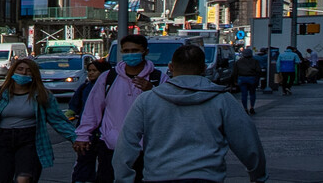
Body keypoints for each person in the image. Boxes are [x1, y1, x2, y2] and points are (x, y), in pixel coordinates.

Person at [114, 42, 268, 183]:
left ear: (171, 67)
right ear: (204, 68)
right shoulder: (222, 100)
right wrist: (257, 175)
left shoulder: (147, 100)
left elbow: (126, 142)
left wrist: (123, 178)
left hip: (159, 177)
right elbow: (246, 140)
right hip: (207, 178)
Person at [0, 53, 79, 183]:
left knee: (24, 178)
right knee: (0, 178)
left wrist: (75, 137)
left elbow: (58, 120)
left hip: (29, 140)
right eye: (20, 69)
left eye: (28, 71)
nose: (23, 73)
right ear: (13, 72)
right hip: (2, 140)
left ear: (34, 75)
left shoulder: (42, 95)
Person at [73, 32, 161, 183]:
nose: (130, 54)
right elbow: (92, 110)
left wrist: (153, 91)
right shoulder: (108, 77)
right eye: (126, 51)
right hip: (111, 146)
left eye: (135, 51)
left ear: (145, 52)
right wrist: (83, 135)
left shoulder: (159, 79)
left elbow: (166, 112)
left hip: (147, 149)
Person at [72, 56, 107, 123]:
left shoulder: (107, 87)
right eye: (89, 70)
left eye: (94, 70)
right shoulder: (84, 87)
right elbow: (74, 105)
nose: (91, 73)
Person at [231, 47, 263, 115]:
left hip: (242, 78)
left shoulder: (238, 62)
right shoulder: (255, 61)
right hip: (252, 78)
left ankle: (245, 108)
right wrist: (257, 79)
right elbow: (258, 71)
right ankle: (252, 107)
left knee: (244, 94)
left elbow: (235, 72)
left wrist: (235, 81)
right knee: (252, 93)